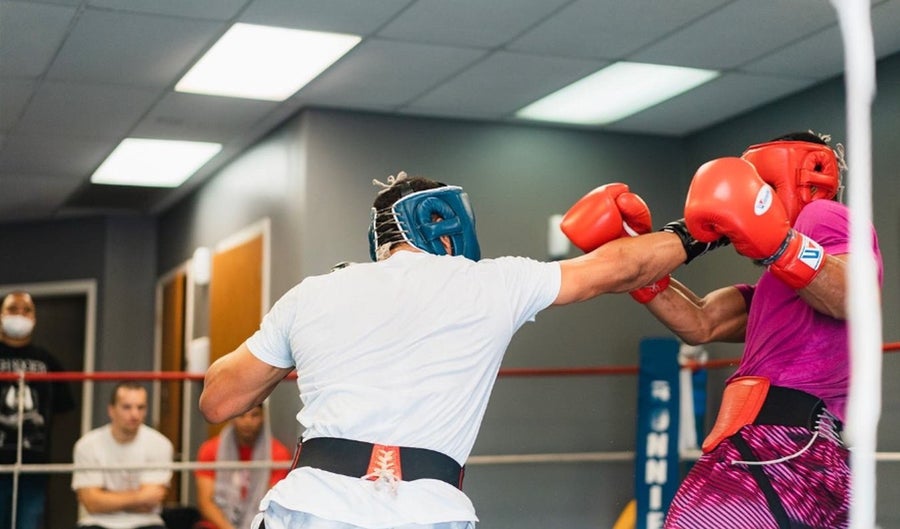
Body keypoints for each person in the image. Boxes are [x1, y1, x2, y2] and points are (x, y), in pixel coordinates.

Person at [197, 170, 696, 529]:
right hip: (428, 512)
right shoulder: (493, 282)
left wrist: (295, 345)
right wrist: (702, 229)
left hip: (312, 506)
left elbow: (217, 401)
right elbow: (622, 268)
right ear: (451, 225)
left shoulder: (313, 293)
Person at [631, 132, 883, 529]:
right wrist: (632, 264)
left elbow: (857, 296)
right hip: (789, 451)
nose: (754, 199)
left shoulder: (822, 214)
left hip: (778, 446)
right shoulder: (780, 290)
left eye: (764, 188)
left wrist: (779, 242)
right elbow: (701, 322)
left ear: (804, 179)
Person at [0, 291, 75, 529]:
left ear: (34, 318)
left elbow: (62, 409)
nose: (20, 315)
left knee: (29, 523)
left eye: (26, 310)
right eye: (13, 309)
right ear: (1, 314)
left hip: (34, 467)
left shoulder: (47, 361)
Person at [72, 381, 174, 529]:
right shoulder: (87, 445)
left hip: (147, 523)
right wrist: (140, 496)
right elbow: (92, 504)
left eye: (141, 407)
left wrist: (105, 498)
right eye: (127, 407)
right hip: (96, 523)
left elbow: (150, 503)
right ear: (111, 410)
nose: (135, 414)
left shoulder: (161, 444)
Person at [194, 404, 292, 529]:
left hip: (260, 523)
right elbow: (206, 502)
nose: (248, 422)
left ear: (263, 417)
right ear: (232, 417)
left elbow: (272, 502)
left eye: (254, 415)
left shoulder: (278, 453)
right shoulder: (210, 450)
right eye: (241, 415)